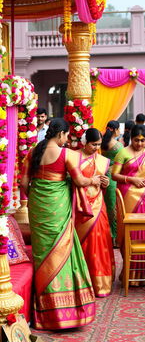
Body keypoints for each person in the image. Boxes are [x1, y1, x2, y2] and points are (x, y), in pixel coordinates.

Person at [20, 118, 96, 330]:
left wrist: (37, 198)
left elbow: (24, 183)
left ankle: (45, 311)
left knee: (43, 253)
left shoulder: (33, 152)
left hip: (37, 207)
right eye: (66, 136)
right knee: (62, 251)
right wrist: (94, 181)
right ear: (61, 134)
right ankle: (65, 311)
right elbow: (80, 181)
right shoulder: (67, 154)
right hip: (58, 207)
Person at [112, 124, 145, 284]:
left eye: (142, 140)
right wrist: (131, 179)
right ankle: (131, 274)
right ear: (130, 139)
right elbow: (114, 175)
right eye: (136, 140)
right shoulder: (123, 153)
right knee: (130, 232)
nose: (139, 144)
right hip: (127, 196)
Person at [74, 128, 115, 297]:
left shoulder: (102, 160)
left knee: (100, 241)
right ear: (85, 142)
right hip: (80, 204)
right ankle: (83, 281)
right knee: (83, 242)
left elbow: (104, 183)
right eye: (93, 144)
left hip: (98, 204)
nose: (96, 148)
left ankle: (100, 282)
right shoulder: (74, 157)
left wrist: (105, 183)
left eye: (99, 145)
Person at [101, 120, 124, 241]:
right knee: (114, 207)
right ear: (116, 130)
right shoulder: (117, 145)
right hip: (114, 177)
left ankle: (109, 235)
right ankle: (115, 236)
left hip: (104, 175)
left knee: (107, 206)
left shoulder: (103, 142)